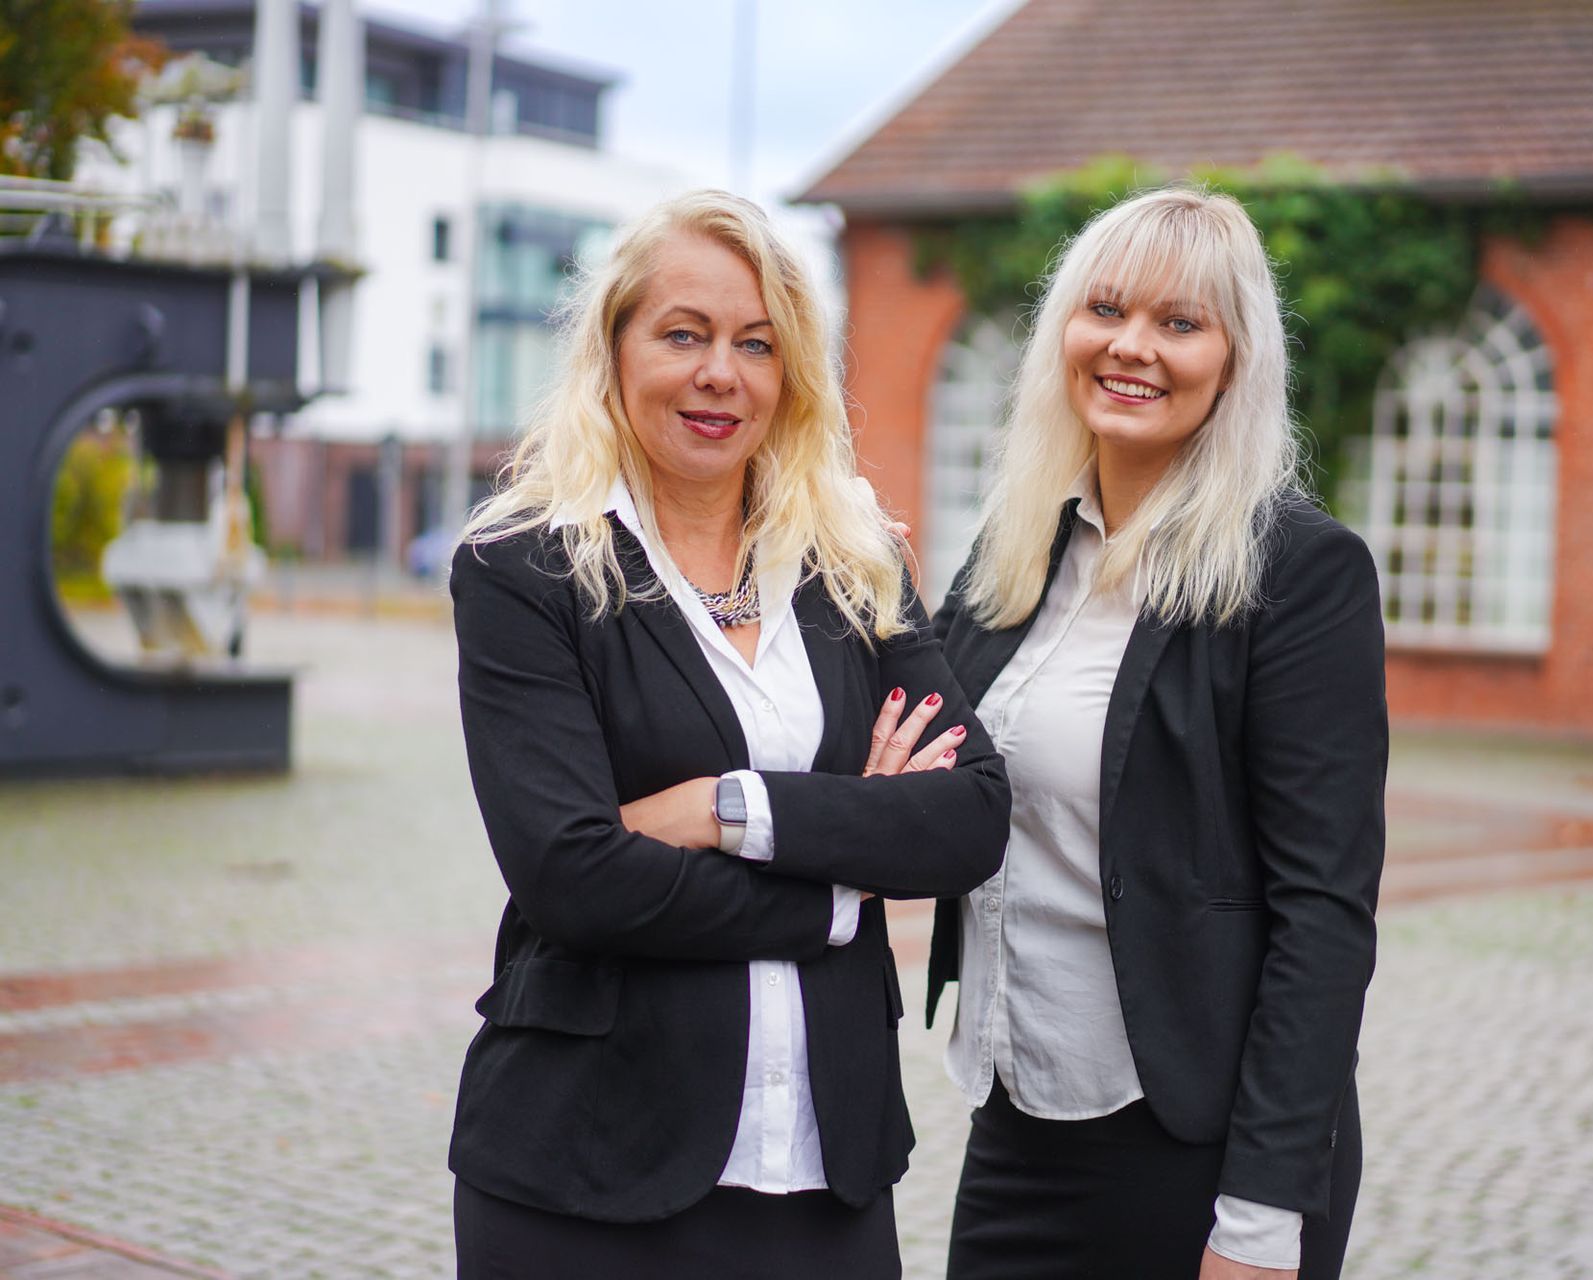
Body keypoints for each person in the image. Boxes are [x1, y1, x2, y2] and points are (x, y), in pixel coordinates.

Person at [445, 189, 1010, 1280]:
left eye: (757, 343)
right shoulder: (525, 566)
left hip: (823, 1166)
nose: (722, 374)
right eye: (685, 334)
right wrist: (847, 881)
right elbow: (574, 874)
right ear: (614, 349)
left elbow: (967, 816)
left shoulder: (853, 558)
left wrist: (727, 807)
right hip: (585, 1163)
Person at [924, 185, 1387, 1279]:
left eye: (1180, 323)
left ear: (1235, 360)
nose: (1133, 347)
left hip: (1194, 1142)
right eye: (1107, 310)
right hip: (1018, 1116)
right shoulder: (1016, 549)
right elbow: (903, 750)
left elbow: (1323, 911)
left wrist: (1264, 1213)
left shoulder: (1298, 573)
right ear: (1062, 335)